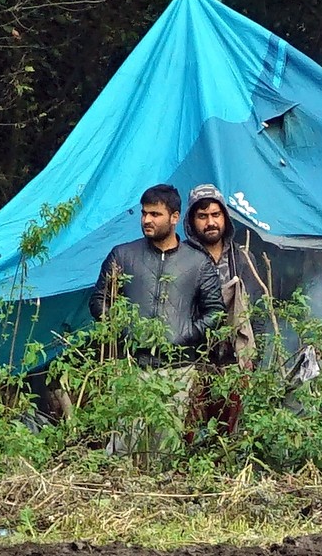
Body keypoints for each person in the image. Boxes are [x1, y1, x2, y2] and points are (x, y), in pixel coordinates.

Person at [89, 184, 224, 460]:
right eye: (144, 213)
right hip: (130, 367)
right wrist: (124, 329)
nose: (146, 220)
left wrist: (186, 334)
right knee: (125, 450)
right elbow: (99, 301)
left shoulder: (198, 263)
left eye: (155, 214)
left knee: (167, 452)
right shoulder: (122, 255)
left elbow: (216, 313)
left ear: (174, 217)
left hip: (178, 373)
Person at [183, 183, 270, 437]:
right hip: (194, 363)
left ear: (225, 218)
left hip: (234, 362)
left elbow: (258, 312)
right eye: (202, 216)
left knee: (231, 434)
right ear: (191, 221)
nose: (210, 222)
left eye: (215, 215)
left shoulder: (242, 258)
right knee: (191, 434)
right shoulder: (183, 258)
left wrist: (256, 359)